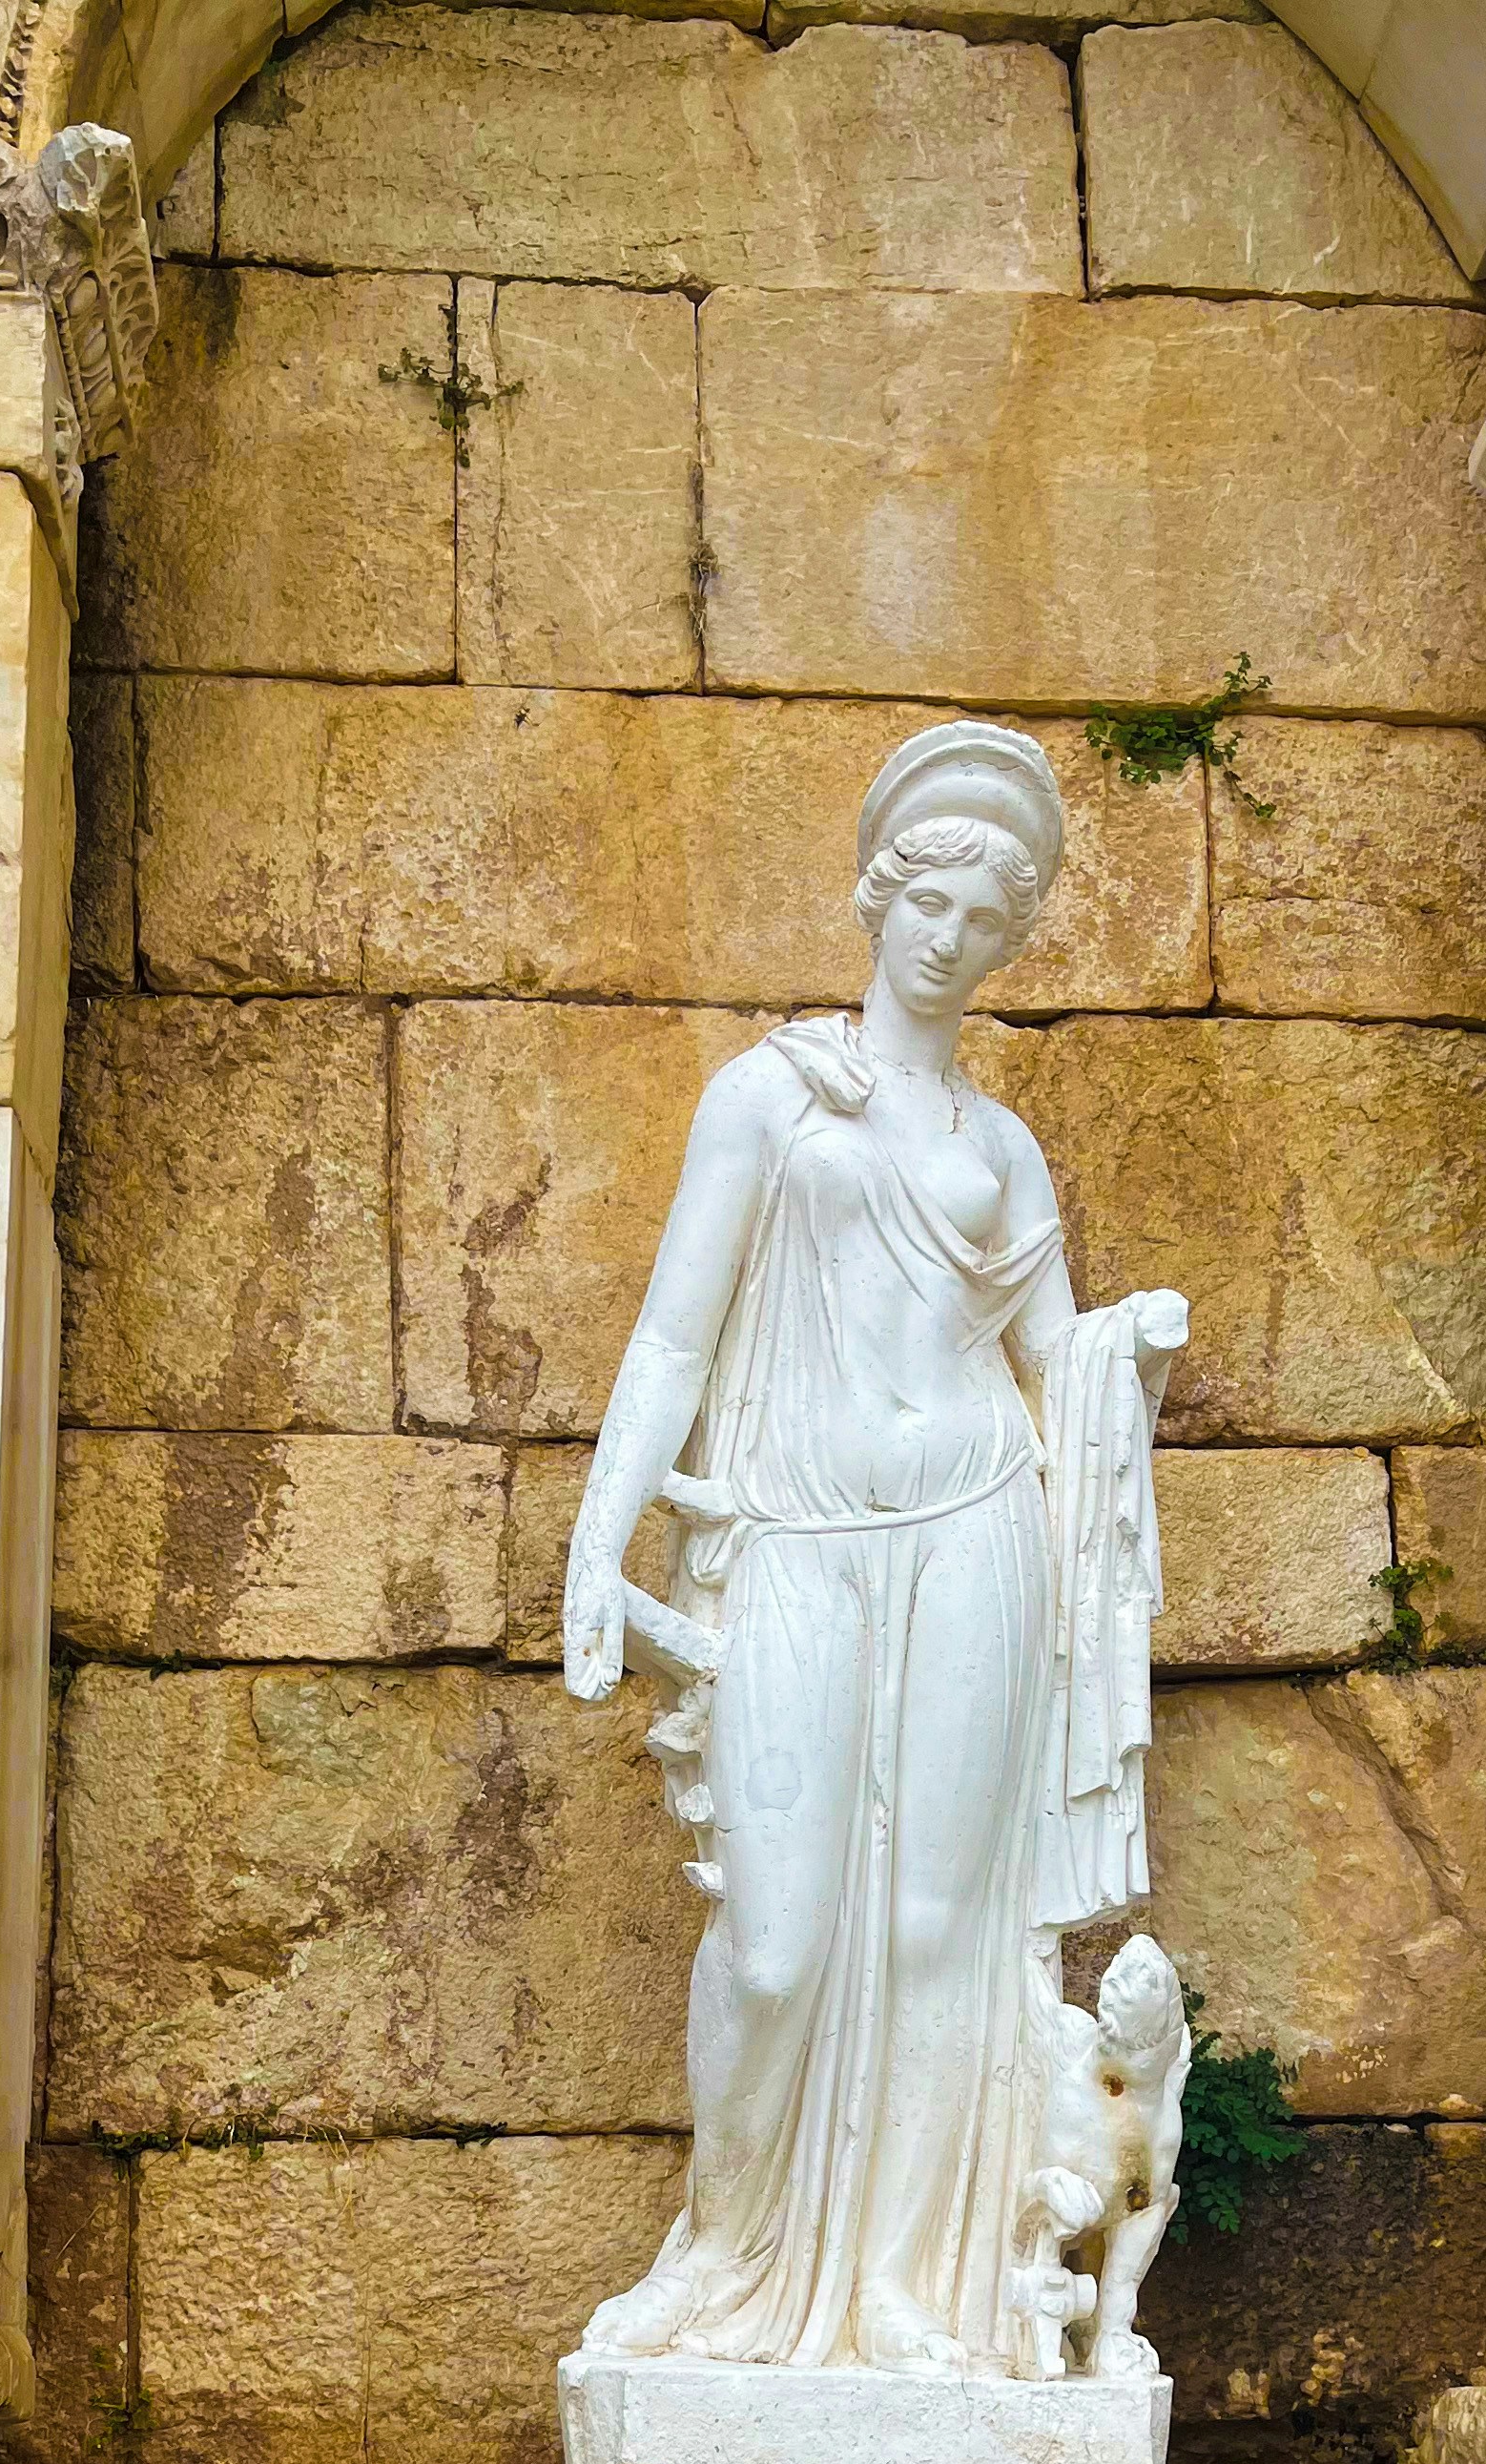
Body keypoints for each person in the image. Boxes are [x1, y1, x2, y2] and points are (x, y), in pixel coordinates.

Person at [561, 720, 1187, 2374]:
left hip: (982, 1532)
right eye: (931, 903)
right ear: (877, 896)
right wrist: (599, 1532)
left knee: (938, 1934)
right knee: (774, 1945)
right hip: (796, 1534)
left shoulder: (1000, 1148)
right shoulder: (772, 1097)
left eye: (990, 922)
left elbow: (1054, 1359)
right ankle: (724, 2255)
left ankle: (913, 2285)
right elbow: (674, 1339)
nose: (953, 940)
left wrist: (1128, 1354)